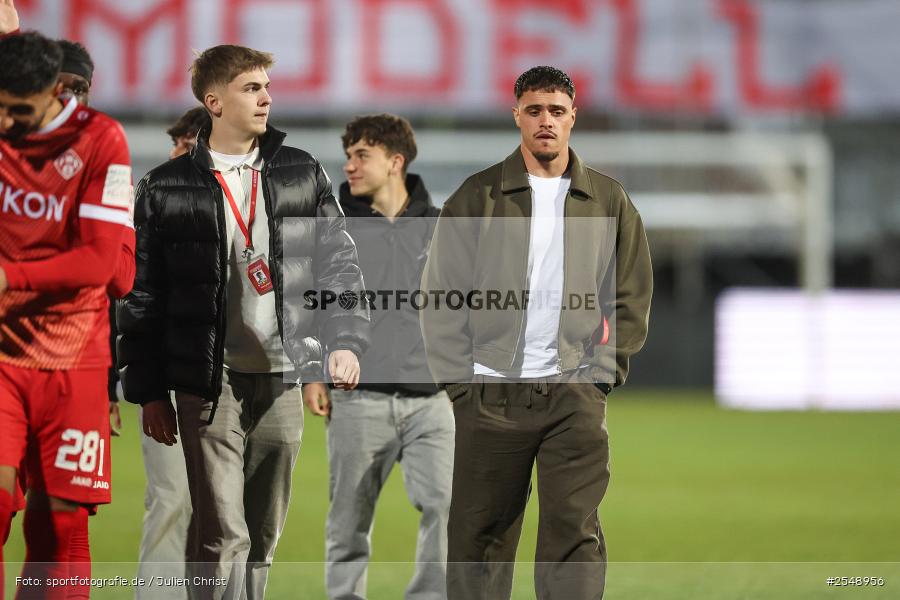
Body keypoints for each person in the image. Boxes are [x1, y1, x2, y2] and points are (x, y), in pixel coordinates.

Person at [117, 45, 370, 600]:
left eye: (266, 87)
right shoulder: (163, 186)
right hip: (209, 381)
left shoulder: (301, 170)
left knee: (261, 533)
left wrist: (345, 338)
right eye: (251, 88)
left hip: (283, 374)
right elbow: (144, 295)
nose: (266, 98)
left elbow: (341, 262)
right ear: (214, 101)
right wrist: (149, 390)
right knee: (221, 533)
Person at [421, 66, 653, 600]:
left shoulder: (609, 201)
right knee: (480, 540)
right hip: (490, 393)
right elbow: (440, 296)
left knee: (573, 536)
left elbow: (632, 294)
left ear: (573, 116)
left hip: (573, 393)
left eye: (555, 110)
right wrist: (461, 383)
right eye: (534, 109)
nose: (545, 121)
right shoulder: (477, 195)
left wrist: (601, 374)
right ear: (516, 115)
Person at [0, 31, 134, 600]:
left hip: (74, 356)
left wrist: (12, 277)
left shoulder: (102, 140)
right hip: (3, 354)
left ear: (55, 93)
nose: (7, 122)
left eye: (19, 111)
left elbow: (108, 263)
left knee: (61, 526)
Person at [305, 114, 453, 599]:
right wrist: (312, 372)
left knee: (447, 508)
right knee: (348, 523)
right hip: (357, 398)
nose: (349, 165)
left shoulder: (442, 226)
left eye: (361, 155)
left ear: (395, 162)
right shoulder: (332, 227)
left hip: (432, 402)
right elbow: (306, 304)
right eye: (348, 155)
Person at [134, 105, 209, 600]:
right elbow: (136, 300)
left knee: (228, 514)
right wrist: (147, 388)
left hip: (235, 382)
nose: (173, 152)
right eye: (175, 142)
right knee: (171, 498)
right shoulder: (155, 198)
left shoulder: (250, 203)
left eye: (184, 143)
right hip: (173, 377)